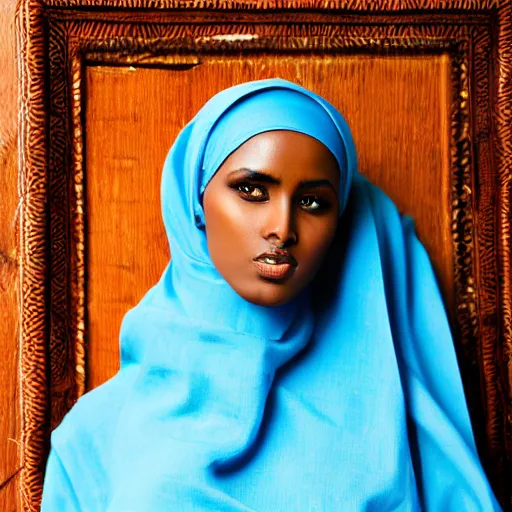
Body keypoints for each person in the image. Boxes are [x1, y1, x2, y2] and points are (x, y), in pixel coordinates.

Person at [41, 78, 501, 511]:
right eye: (251, 190)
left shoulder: (391, 414)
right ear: (196, 201)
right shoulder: (93, 436)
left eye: (313, 202)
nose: (282, 227)